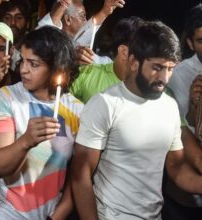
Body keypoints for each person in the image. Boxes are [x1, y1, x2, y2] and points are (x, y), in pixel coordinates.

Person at [72, 21, 202, 220]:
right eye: (157, 67)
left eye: (170, 68)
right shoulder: (105, 104)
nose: (164, 78)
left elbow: (176, 169)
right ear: (133, 61)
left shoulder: (169, 106)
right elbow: (80, 176)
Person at [0, 26, 83, 219]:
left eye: (34, 64)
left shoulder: (78, 111)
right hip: (5, 212)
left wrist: (56, 217)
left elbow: (78, 177)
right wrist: (25, 141)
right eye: (22, 60)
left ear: (56, 67)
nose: (23, 69)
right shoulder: (8, 98)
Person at [165, 4, 202, 219]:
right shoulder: (178, 74)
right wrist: (194, 106)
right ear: (190, 42)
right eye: (200, 40)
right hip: (186, 200)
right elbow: (177, 131)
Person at [70, 16, 144, 103]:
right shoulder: (87, 73)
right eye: (143, 47)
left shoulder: (149, 88)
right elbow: (58, 106)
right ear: (123, 51)